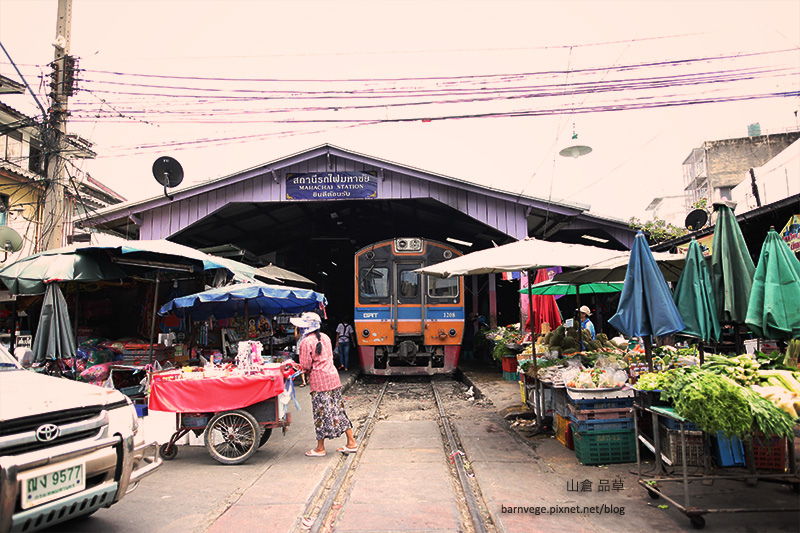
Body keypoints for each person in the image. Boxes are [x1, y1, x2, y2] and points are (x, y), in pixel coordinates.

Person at [291, 312, 358, 457]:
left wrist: (296, 367)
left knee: (320, 413)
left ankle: (320, 448)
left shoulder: (305, 342)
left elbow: (306, 365)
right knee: (338, 410)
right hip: (333, 378)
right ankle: (351, 442)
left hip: (319, 382)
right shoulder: (326, 337)